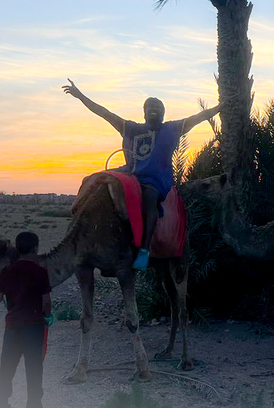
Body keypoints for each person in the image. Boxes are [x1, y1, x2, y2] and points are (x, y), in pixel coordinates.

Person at [63, 79, 221, 270]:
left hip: (155, 178)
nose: (154, 109)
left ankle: (144, 250)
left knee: (149, 197)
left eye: (158, 107)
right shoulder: (131, 128)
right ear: (144, 112)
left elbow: (199, 116)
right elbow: (104, 113)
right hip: (131, 173)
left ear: (163, 113)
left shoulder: (172, 129)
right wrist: (80, 96)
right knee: (92, 180)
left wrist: (220, 107)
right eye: (150, 106)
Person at [0, 232, 52, 408]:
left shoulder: (7, 272)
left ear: (17, 250)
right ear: (36, 249)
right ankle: (33, 405)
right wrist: (48, 316)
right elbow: (46, 301)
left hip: (12, 328)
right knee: (34, 369)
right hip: (33, 328)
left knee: (6, 369)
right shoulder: (41, 272)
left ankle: (1, 404)